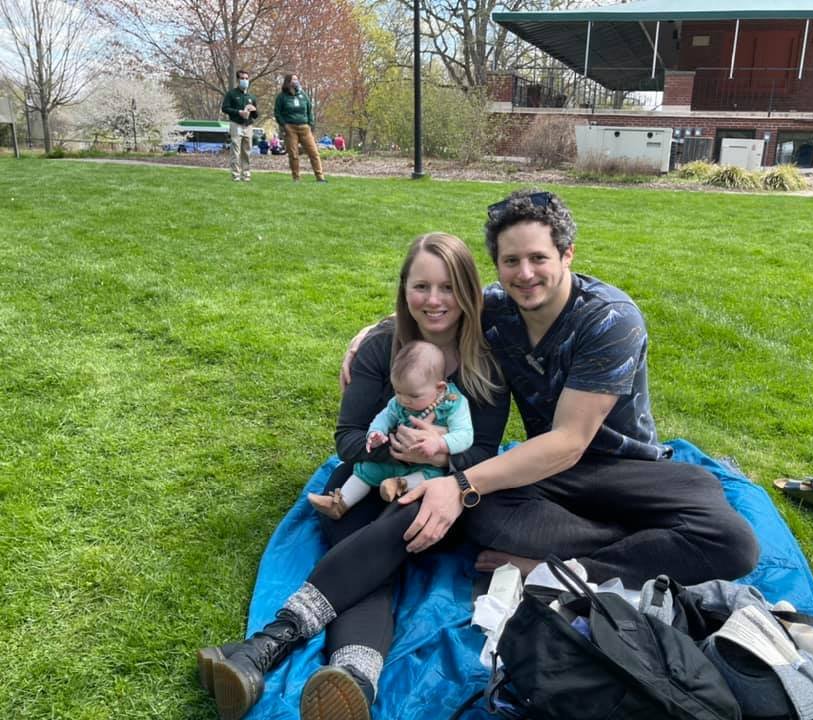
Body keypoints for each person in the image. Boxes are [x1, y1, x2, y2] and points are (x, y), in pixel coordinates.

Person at [344, 189, 759, 590]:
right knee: (478, 515)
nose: (525, 274)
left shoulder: (610, 320)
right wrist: (372, 332)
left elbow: (570, 442)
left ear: (567, 254)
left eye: (538, 258)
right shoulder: (500, 307)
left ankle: (553, 568)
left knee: (734, 543)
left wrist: (461, 485)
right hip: (549, 476)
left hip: (627, 470)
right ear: (498, 266)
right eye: (511, 261)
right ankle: (641, 544)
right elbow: (438, 307)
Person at [197, 232, 509, 720]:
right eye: (420, 287)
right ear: (404, 290)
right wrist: (384, 446)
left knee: (390, 530)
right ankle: (355, 682)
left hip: (442, 491)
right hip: (368, 474)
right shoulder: (384, 347)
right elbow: (347, 436)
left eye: (447, 287)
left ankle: (264, 647)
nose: (433, 300)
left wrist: (441, 457)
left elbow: (486, 452)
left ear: (468, 292)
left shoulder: (483, 366)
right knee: (369, 559)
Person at [308, 339, 474, 519]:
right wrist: (376, 433)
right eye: (398, 392)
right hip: (393, 459)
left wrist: (440, 444)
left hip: (429, 464)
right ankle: (339, 503)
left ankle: (400, 485)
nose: (404, 400)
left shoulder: (453, 403)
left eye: (413, 395)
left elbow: (465, 435)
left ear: (439, 387)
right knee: (366, 469)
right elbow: (385, 416)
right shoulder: (401, 400)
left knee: (430, 477)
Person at [273, 73, 327, 183]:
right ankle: (296, 178)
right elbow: (277, 113)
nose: (296, 81)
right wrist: (284, 125)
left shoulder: (303, 95)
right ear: (288, 82)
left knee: (313, 152)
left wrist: (310, 124)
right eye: (294, 79)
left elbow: (309, 109)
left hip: (304, 127)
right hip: (290, 128)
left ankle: (320, 177)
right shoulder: (282, 97)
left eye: (297, 79)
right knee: (293, 154)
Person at [221, 69, 258, 182]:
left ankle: (246, 175)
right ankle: (235, 175)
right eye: (242, 78)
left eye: (246, 78)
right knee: (236, 151)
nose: (244, 81)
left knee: (247, 151)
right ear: (238, 80)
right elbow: (225, 108)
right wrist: (238, 112)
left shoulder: (252, 97)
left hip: (248, 126)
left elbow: (256, 115)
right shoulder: (231, 94)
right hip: (236, 124)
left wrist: (254, 110)